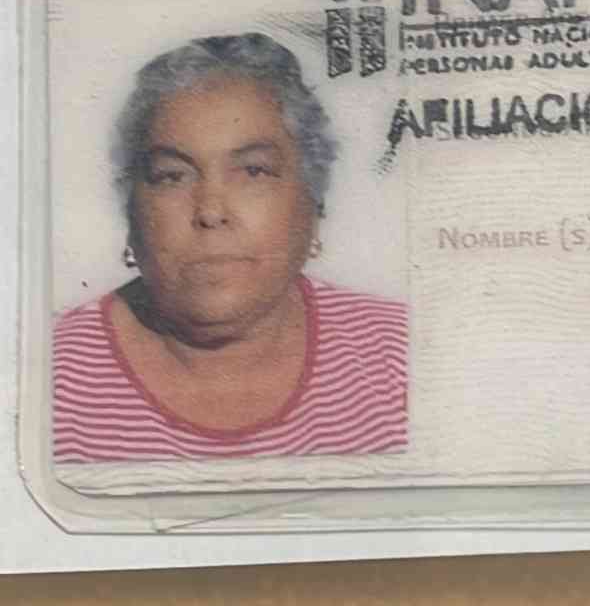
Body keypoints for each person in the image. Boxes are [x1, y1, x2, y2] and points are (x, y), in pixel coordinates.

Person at [53, 34, 407, 463]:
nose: (211, 211)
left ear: (313, 202)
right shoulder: (42, 378)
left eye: (254, 171)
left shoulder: (402, 357)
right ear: (130, 208)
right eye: (172, 176)